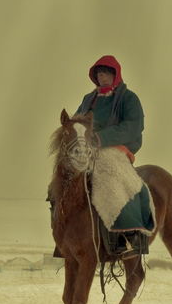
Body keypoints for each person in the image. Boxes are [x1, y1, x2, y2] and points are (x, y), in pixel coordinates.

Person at [50, 55, 151, 258]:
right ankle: (65, 236)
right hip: (89, 149)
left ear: (116, 74)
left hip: (117, 149)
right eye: (100, 74)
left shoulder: (129, 99)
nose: (103, 78)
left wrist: (100, 137)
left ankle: (128, 236)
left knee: (114, 180)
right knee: (64, 182)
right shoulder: (90, 99)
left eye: (107, 73)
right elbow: (78, 120)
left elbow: (132, 126)